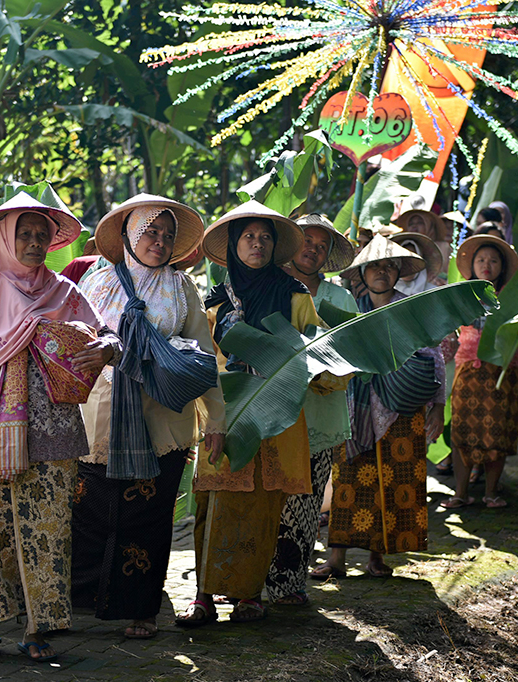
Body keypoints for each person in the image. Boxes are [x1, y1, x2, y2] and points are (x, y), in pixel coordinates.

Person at [0, 193, 116, 662]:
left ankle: (40, 626)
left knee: (48, 529)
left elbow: (107, 333)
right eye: (25, 233)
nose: (35, 242)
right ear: (5, 237)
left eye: (42, 234)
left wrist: (107, 351)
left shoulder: (64, 292)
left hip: (56, 432)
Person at [70, 195, 226, 638]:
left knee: (148, 520)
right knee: (90, 513)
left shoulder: (182, 289)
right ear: (128, 237)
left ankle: (141, 609)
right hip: (97, 420)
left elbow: (204, 361)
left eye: (167, 235)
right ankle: (83, 601)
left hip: (163, 426)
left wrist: (215, 420)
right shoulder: (96, 283)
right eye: (150, 232)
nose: (159, 241)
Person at [180, 200, 327, 625]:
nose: (257, 244)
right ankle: (203, 595)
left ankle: (250, 594)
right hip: (225, 412)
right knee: (213, 501)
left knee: (264, 505)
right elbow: (201, 360)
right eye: (248, 237)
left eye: (265, 237)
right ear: (232, 245)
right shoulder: (213, 302)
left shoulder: (295, 296)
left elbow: (316, 356)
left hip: (275, 415)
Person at [311, 235, 445, 579]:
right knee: (348, 479)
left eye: (389, 266)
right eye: (375, 266)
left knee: (393, 477)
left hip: (402, 406)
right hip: (355, 406)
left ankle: (377, 557)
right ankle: (336, 559)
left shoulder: (412, 308)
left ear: (399, 272)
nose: (382, 272)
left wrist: (438, 405)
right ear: (363, 273)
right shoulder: (349, 308)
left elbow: (434, 356)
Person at [265, 213, 356, 606]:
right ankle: (252, 581)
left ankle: (291, 583)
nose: (313, 249)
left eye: (322, 245)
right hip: (270, 413)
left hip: (321, 415)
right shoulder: (269, 287)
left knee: (305, 502)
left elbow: (353, 354)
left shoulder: (340, 299)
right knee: (268, 499)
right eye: (307, 241)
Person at [444, 234, 518, 509]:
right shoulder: (461, 295)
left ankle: (491, 492)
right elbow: (447, 329)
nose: (487, 264)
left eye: (493, 260)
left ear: (502, 267)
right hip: (468, 371)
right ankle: (460, 493)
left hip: (502, 374)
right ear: (471, 265)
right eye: (481, 259)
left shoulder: (514, 299)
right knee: (461, 433)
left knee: (498, 432)